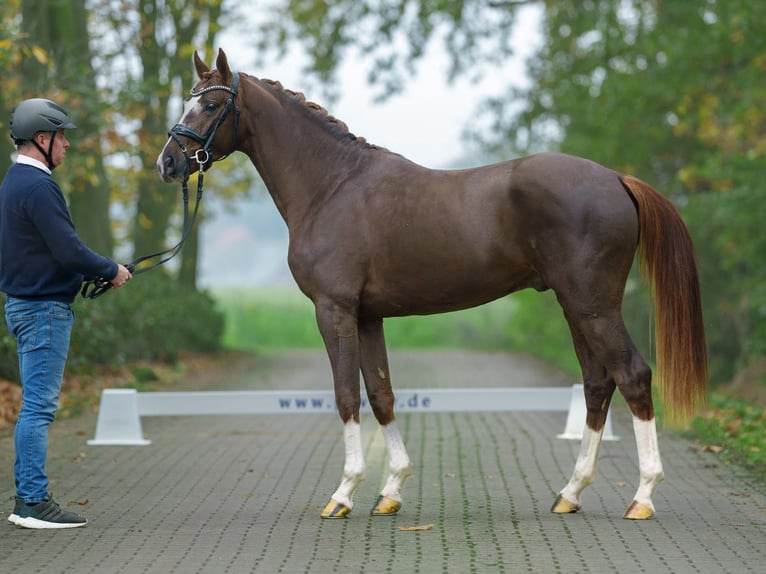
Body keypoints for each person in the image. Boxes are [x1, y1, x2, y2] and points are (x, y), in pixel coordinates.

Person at [0, 98, 132, 529]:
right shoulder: (39, 187)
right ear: (43, 139)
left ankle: (29, 498)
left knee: (34, 407)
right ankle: (32, 502)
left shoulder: (13, 183)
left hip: (25, 305)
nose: (68, 145)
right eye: (63, 137)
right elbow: (68, 248)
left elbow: (44, 251)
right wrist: (110, 270)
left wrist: (91, 273)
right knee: (38, 408)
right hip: (43, 312)